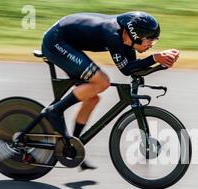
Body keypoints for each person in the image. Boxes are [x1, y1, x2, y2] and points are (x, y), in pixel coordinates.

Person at [40, 11, 179, 170]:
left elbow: (133, 68)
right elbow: (126, 69)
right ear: (135, 35)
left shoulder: (126, 37)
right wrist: (155, 58)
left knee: (92, 98)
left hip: (66, 40)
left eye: (154, 42)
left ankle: (72, 146)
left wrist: (162, 63)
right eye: (149, 41)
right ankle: (55, 111)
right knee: (102, 82)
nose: (150, 46)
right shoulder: (113, 35)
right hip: (56, 41)